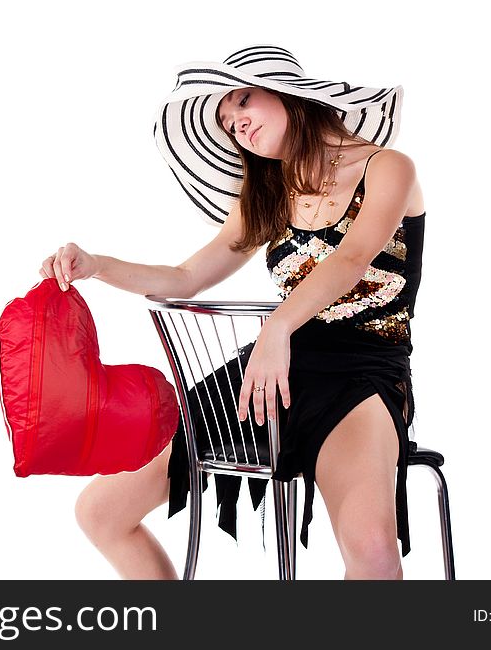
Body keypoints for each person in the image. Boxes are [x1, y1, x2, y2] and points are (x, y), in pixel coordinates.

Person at [37, 45, 425, 580]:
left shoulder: (388, 167)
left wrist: (278, 327)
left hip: (361, 375)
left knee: (374, 553)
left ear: (290, 96)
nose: (237, 125)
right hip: (267, 376)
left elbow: (354, 259)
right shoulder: (265, 194)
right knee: (101, 511)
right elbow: (186, 278)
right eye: (226, 122)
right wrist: (97, 265)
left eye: (243, 102)